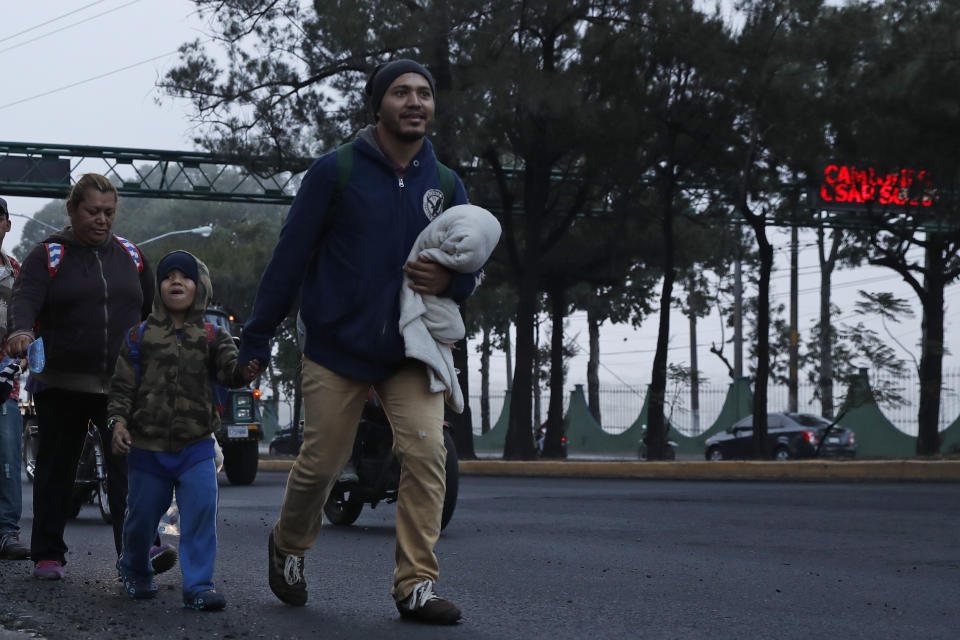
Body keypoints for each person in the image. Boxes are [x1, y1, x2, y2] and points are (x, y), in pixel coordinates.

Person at [238, 59, 482, 624]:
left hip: (411, 349)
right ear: (379, 105)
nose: (415, 102)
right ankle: (289, 545)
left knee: (426, 455)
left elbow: (471, 262)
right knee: (322, 461)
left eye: (424, 93)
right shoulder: (335, 171)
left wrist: (454, 281)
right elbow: (289, 260)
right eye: (401, 93)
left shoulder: (445, 183)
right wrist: (256, 339)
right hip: (337, 347)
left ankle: (415, 585)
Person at [5, 174, 176, 579]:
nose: (102, 220)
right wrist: (21, 331)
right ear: (72, 209)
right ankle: (47, 554)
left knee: (131, 471)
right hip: (61, 383)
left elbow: (152, 313)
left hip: (119, 386)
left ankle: (138, 550)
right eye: (92, 211)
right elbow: (25, 299)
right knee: (56, 469)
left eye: (109, 212)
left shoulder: (131, 257)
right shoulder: (48, 256)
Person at [107, 251, 259, 609]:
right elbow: (121, 390)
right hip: (147, 448)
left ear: (198, 287)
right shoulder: (137, 336)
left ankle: (199, 586)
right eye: (168, 276)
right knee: (141, 518)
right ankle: (134, 569)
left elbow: (229, 372)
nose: (176, 281)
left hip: (197, 446)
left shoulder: (212, 335)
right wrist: (118, 424)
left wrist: (245, 371)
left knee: (202, 514)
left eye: (185, 276)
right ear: (158, 288)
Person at [0, 197, 29, 561]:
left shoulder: (19, 273)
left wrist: (12, 368)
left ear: (7, 225)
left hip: (5, 386)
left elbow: (31, 331)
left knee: (8, 458)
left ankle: (7, 533)